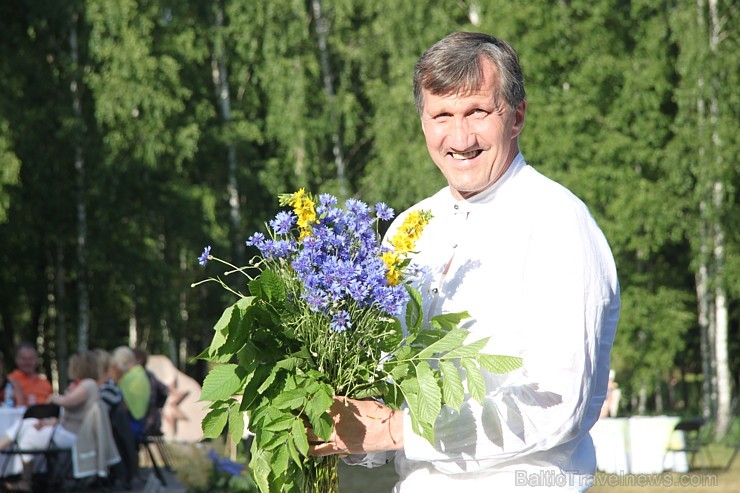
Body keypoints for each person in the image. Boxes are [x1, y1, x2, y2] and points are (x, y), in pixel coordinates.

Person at [308, 32, 620, 493]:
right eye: (442, 116)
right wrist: (325, 415)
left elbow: (558, 403)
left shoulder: (557, 223)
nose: (460, 137)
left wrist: (398, 429)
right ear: (422, 123)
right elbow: (388, 387)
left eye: (477, 112)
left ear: (516, 117)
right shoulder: (409, 228)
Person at [0, 351, 102, 491]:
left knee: (26, 434)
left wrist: (54, 398)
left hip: (70, 436)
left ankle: (25, 479)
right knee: (28, 423)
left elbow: (68, 402)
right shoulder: (87, 385)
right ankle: (26, 478)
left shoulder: (88, 384)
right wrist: (49, 422)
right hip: (67, 431)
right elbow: (73, 414)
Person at [110, 346, 151, 442]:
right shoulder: (140, 373)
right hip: (140, 423)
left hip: (130, 425)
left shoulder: (128, 378)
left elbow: (121, 404)